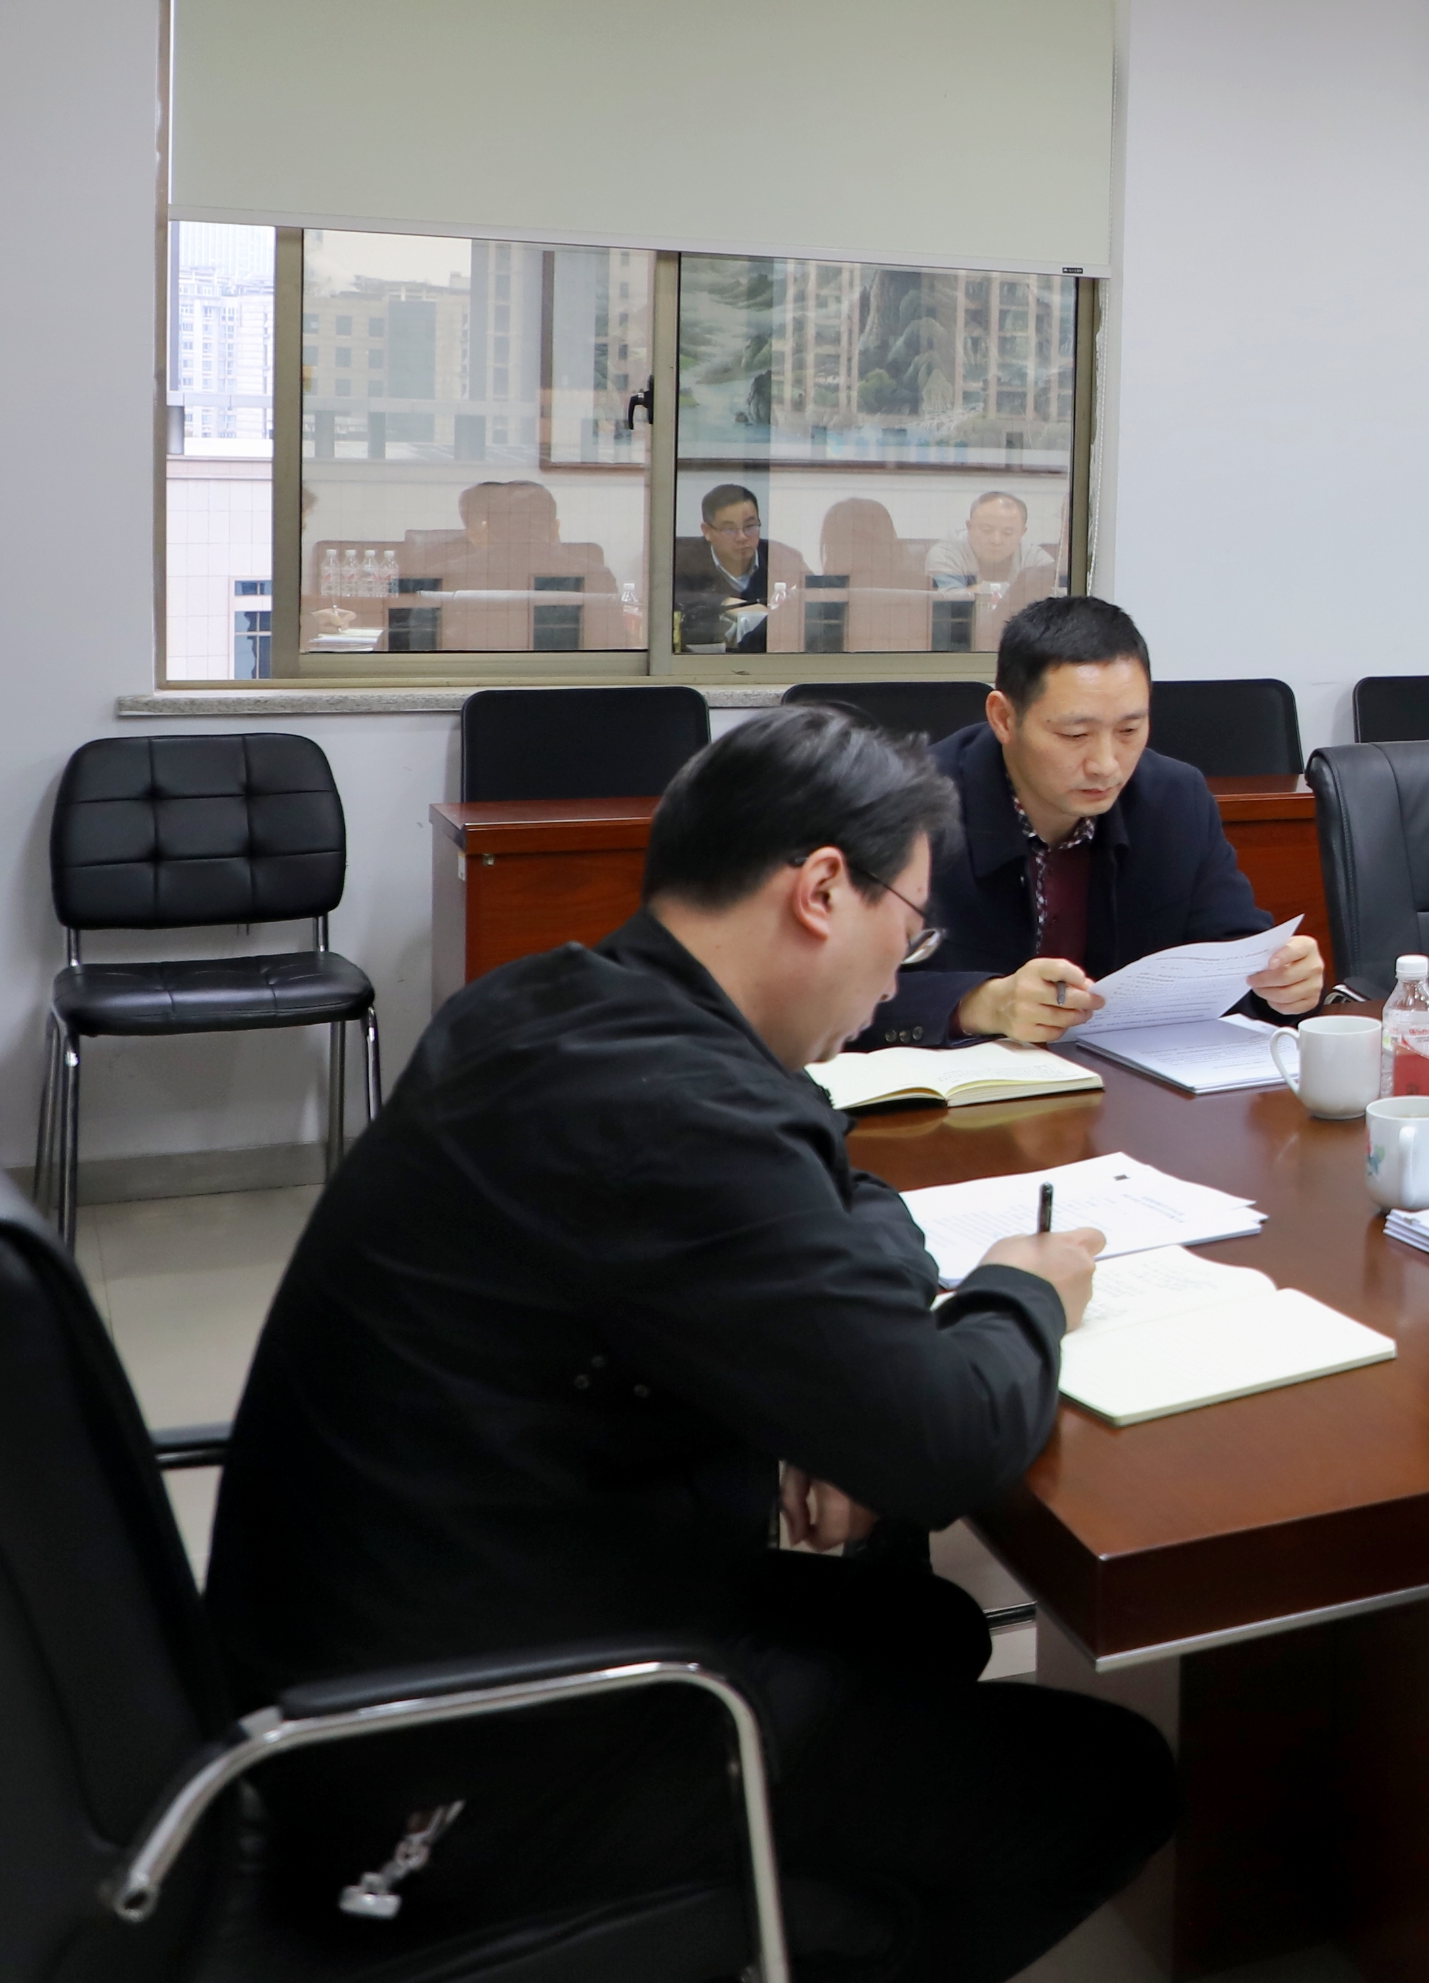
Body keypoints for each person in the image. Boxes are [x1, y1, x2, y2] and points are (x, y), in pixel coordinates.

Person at [204, 704, 1172, 1979]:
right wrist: (1019, 1288)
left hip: (402, 1630)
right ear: (820, 891)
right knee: (1109, 1782)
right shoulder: (674, 1112)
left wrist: (825, 1387)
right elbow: (947, 1442)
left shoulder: (554, 1003)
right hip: (452, 1754)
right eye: (909, 931)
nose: (900, 979)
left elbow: (844, 1192)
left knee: (923, 1628)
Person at [854, 594, 1325, 1047]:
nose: (1106, 764)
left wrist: (1282, 986)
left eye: (1129, 730)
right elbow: (831, 988)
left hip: (1126, 1081)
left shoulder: (1174, 798)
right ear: (1004, 718)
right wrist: (982, 1004)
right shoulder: (903, 808)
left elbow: (1235, 955)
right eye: (1075, 734)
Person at [669, 481, 807, 655]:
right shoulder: (681, 559)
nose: (742, 537)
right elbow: (664, 599)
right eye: (729, 529)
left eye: (750, 526)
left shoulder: (784, 559)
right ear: (707, 531)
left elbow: (812, 602)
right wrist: (725, 603)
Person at [925, 487, 1061, 629]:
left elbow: (1056, 601)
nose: (996, 540)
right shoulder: (945, 555)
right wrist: (1016, 594)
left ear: (1022, 532)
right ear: (969, 526)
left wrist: (976, 591)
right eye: (986, 530)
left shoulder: (1035, 558)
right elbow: (949, 605)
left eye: (1007, 533)